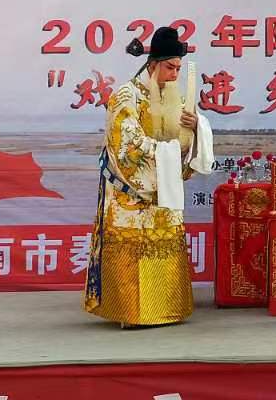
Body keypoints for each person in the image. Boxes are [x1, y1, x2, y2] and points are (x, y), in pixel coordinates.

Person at [84, 26, 214, 327]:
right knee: (132, 249)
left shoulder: (173, 96)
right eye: (170, 68)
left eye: (178, 68)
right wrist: (169, 155)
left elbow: (185, 138)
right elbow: (128, 146)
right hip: (130, 192)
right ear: (152, 64)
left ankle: (167, 308)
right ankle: (130, 313)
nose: (174, 74)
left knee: (163, 245)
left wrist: (196, 126)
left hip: (162, 190)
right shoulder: (126, 96)